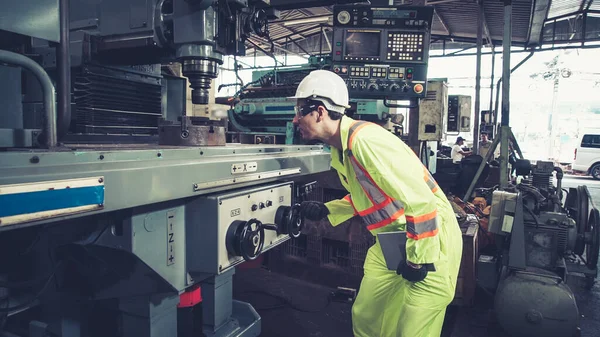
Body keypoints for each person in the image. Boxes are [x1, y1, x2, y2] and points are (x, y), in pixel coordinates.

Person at [290, 70, 463, 337]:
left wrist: (418, 260)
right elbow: (371, 194)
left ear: (320, 111)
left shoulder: (365, 141)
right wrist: (329, 209)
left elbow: (420, 201)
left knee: (412, 327)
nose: (295, 119)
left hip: (428, 239)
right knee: (369, 315)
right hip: (392, 240)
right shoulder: (342, 148)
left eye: (300, 111)